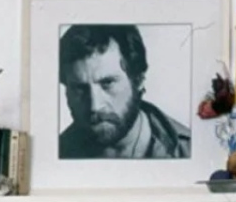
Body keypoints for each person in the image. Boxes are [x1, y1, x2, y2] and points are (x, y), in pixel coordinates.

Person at [58, 24, 191, 159]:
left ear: (139, 80)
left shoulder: (190, 151)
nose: (95, 106)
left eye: (108, 83)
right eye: (79, 88)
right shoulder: (56, 153)